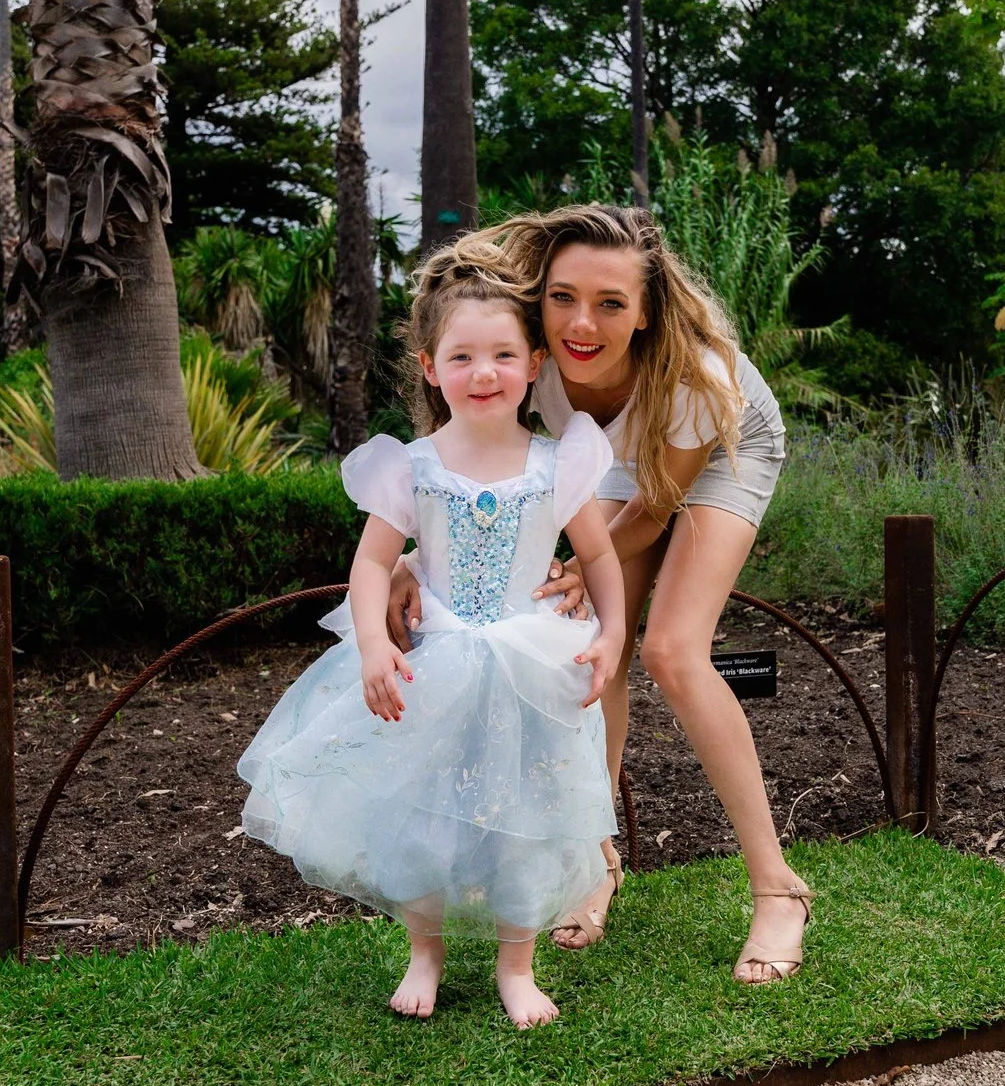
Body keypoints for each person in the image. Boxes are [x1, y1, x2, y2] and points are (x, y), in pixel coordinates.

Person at [389, 203, 812, 984]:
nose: (582, 323)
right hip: (618, 458)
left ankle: (779, 887)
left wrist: (579, 569)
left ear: (644, 311)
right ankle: (596, 860)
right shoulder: (531, 362)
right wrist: (417, 559)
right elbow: (478, 473)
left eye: (611, 303)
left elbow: (653, 509)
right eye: (563, 298)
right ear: (538, 297)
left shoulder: (694, 376)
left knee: (669, 649)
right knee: (588, 647)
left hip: (719, 446)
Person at [238, 255, 627, 1028]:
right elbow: (373, 563)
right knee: (424, 814)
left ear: (534, 364)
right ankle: (426, 951)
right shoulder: (412, 467)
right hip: (435, 662)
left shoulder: (559, 465)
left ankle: (516, 965)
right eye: (462, 357)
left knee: (527, 811)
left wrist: (613, 631)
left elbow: (602, 556)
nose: (485, 372)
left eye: (504, 355)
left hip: (530, 665)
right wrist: (376, 647)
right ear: (430, 367)